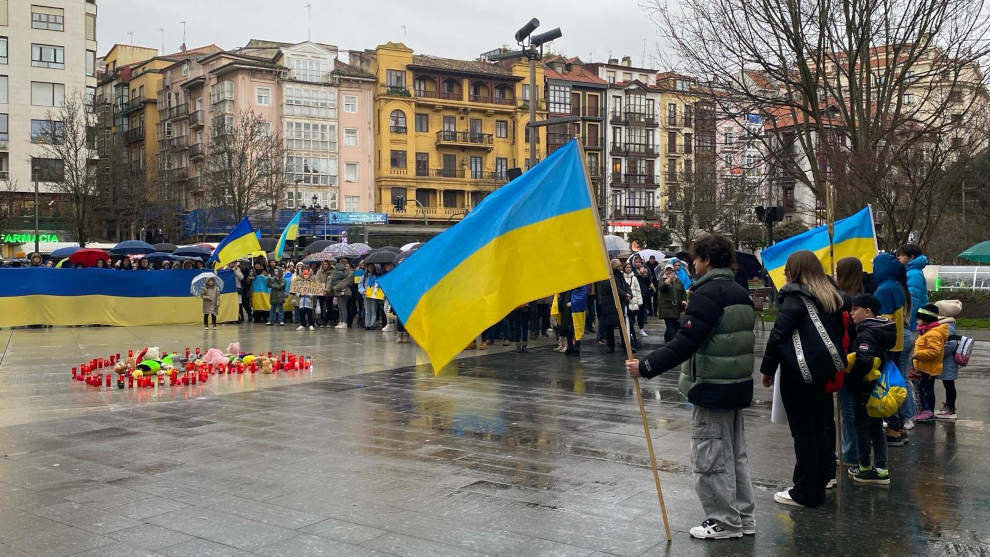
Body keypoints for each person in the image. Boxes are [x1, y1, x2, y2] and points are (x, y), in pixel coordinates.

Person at [626, 234, 756, 539]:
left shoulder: (708, 293)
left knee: (710, 455)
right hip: (734, 384)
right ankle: (742, 516)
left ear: (707, 260)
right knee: (734, 455)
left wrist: (646, 366)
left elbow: (686, 341)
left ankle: (724, 520)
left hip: (712, 385)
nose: (692, 265)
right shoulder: (738, 291)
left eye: (695, 259)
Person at [760, 250, 844, 508]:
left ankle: (805, 491)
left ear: (794, 270)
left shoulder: (794, 297)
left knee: (804, 433)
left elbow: (778, 335)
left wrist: (767, 368)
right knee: (822, 427)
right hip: (823, 371)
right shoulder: (830, 295)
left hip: (799, 373)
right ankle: (822, 479)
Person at [845, 294, 896, 485]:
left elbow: (864, 360)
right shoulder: (883, 328)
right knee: (876, 427)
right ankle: (881, 468)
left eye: (855, 309)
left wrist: (851, 372)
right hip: (878, 388)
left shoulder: (867, 333)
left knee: (862, 428)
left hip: (864, 388)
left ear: (867, 311)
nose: (851, 313)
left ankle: (865, 467)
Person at [871, 253, 911, 446]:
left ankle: (893, 428)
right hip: (899, 343)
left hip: (887, 346)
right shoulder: (896, 287)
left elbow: (883, 321)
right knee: (896, 384)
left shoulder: (883, 290)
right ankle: (899, 426)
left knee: (886, 387)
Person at [835, 257, 864, 469]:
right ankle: (851, 448)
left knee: (848, 408)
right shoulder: (862, 296)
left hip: (850, 358)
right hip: (859, 358)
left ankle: (850, 452)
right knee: (853, 408)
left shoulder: (847, 300)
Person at [911, 304, 948, 423]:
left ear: (926, 319)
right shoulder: (926, 332)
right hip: (924, 367)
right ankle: (926, 411)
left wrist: (917, 355)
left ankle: (928, 411)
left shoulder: (933, 334)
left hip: (928, 368)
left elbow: (934, 352)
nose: (917, 321)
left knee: (926, 390)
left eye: (919, 318)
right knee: (924, 388)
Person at [933, 300, 962, 420]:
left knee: (949, 384)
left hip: (947, 362)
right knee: (948, 384)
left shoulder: (947, 326)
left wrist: (937, 354)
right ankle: (949, 406)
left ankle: (950, 408)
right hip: (948, 362)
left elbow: (950, 344)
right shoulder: (948, 324)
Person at [597, 259, 631, 354]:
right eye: (620, 265)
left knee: (623, 326)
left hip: (619, 304)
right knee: (609, 327)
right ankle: (610, 347)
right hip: (610, 305)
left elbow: (626, 285)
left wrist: (628, 293)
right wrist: (625, 295)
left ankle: (626, 346)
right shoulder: (608, 277)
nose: (621, 267)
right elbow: (614, 289)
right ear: (615, 267)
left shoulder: (620, 275)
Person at [897, 243, 929, 332]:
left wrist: (906, 319)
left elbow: (913, 299)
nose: (899, 257)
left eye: (902, 255)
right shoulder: (911, 272)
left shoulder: (914, 274)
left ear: (911, 257)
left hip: (914, 321)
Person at [656, 264, 685, 342]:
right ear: (665, 271)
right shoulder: (662, 280)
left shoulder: (678, 281)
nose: (669, 271)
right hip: (666, 308)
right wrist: (668, 281)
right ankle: (673, 343)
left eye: (671, 270)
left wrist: (684, 300)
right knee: (670, 326)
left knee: (676, 326)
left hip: (676, 308)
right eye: (667, 270)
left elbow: (683, 292)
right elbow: (662, 288)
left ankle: (667, 338)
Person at [622, 262, 643, 350]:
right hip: (627, 304)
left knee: (632, 322)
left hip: (634, 303)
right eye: (627, 267)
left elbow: (638, 290)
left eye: (630, 267)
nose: (629, 269)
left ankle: (631, 337)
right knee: (629, 322)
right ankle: (631, 339)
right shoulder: (622, 278)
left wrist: (639, 301)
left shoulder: (634, 278)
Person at [359, 264, 384, 330]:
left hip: (374, 295)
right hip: (366, 295)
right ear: (367, 268)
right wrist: (363, 291)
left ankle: (372, 324)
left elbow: (379, 285)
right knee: (367, 310)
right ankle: (367, 324)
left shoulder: (377, 276)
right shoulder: (364, 276)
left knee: (373, 309)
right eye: (369, 267)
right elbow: (360, 284)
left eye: (372, 267)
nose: (370, 268)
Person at [633, 258, 653, 337]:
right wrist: (640, 275)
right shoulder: (633, 272)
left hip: (644, 294)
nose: (638, 264)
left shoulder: (645, 270)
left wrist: (645, 275)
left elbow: (649, 283)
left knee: (641, 313)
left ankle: (641, 329)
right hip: (635, 295)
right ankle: (631, 330)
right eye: (636, 262)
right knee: (633, 313)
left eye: (639, 262)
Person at [295, 267, 317, 331]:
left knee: (310, 314)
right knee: (302, 314)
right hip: (302, 301)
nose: (306, 276)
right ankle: (302, 325)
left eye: (307, 274)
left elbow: (314, 291)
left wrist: (309, 295)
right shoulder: (300, 283)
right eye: (304, 274)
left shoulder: (311, 283)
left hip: (308, 301)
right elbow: (297, 291)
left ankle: (311, 325)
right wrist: (299, 294)